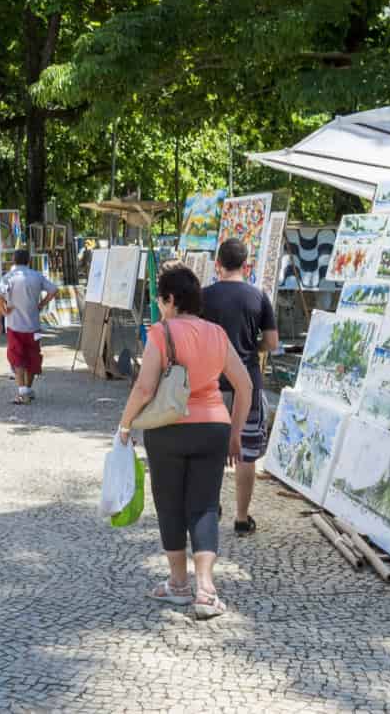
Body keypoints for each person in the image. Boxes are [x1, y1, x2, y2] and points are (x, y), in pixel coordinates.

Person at [115, 262, 254, 620]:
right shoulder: (217, 334)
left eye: (162, 300)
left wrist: (125, 424)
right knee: (205, 506)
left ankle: (178, 585)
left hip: (168, 428)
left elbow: (145, 387)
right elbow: (245, 386)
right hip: (214, 428)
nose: (161, 306)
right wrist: (235, 432)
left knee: (170, 504)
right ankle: (206, 591)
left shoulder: (162, 333)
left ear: (171, 299)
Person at [200, 238, 280, 535]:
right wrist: (250, 347)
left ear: (217, 264)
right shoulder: (258, 297)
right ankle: (242, 518)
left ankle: (210, 505)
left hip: (210, 383)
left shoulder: (203, 296)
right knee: (246, 452)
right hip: (247, 383)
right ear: (247, 265)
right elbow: (272, 342)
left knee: (211, 449)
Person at [0, 248, 56, 404]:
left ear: (13, 261)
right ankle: (28, 389)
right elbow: (53, 290)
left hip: (14, 325)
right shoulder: (37, 276)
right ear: (29, 260)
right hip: (34, 326)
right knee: (33, 356)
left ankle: (22, 392)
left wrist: (3, 310)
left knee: (17, 357)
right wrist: (41, 304)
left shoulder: (9, 277)